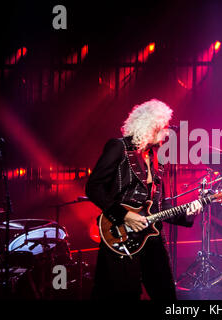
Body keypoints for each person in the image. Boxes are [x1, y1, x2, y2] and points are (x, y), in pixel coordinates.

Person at [86, 99, 202, 300]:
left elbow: (158, 206)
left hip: (151, 236)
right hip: (120, 234)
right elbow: (93, 187)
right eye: (164, 127)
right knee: (124, 294)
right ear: (151, 126)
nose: (167, 133)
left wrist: (186, 213)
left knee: (166, 293)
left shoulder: (157, 159)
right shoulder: (119, 147)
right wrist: (124, 215)